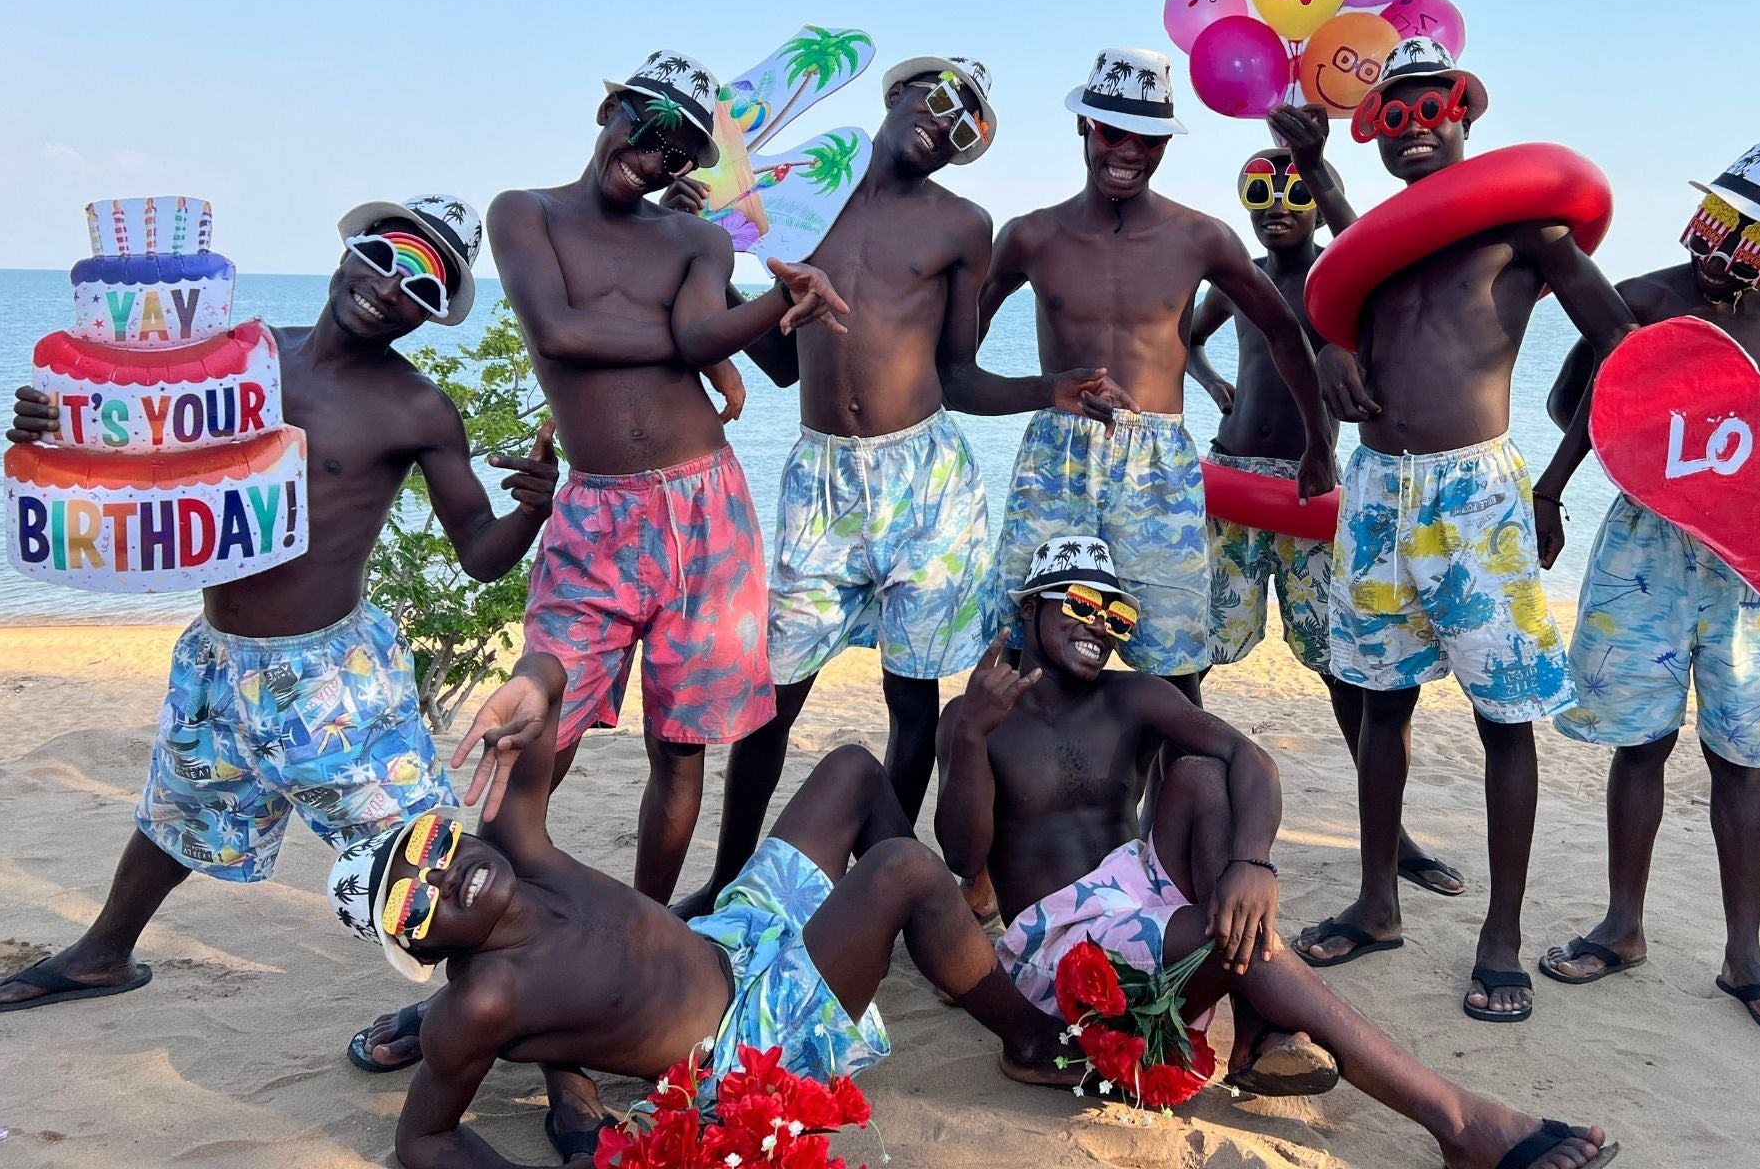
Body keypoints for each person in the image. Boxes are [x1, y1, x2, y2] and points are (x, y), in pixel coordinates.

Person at [0, 196, 559, 1033]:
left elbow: (480, 553)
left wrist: (532, 509)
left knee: (411, 845)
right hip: (219, 658)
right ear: (349, 251)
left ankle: (469, 1003)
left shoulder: (415, 410)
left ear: (430, 316)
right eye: (384, 255)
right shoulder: (241, 360)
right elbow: (133, 442)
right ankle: (104, 953)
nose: (390, 287)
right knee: (177, 811)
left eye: (421, 284)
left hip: (332, 678)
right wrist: (52, 425)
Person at [934, 536, 1616, 1169]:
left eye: (1117, 614)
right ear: (1030, 609)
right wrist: (970, 736)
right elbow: (965, 857)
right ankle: (1455, 1118)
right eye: (1080, 604)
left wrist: (1252, 863)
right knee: (1242, 938)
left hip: (1138, 894)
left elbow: (1248, 757)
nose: (1100, 626)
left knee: (1203, 774)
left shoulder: (1131, 694)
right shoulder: (973, 719)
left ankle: (1264, 1021)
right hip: (1060, 944)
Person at [331, 647, 1070, 1169]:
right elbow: (422, 1140)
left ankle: (937, 941)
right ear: (426, 955)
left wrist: (529, 678)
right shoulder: (484, 998)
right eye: (412, 901)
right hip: (742, 1040)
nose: (442, 876)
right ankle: (1030, 1041)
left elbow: (551, 683)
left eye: (429, 846)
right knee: (901, 869)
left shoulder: (515, 845)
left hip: (733, 941)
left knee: (851, 768)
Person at [689, 55, 1129, 914]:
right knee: (772, 697)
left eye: (968, 121)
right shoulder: (797, 201)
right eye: (939, 98)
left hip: (926, 481)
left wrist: (1050, 390)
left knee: (913, 693)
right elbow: (782, 364)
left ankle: (878, 881)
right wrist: (736, 298)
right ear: (894, 97)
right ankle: (725, 878)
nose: (948, 120)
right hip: (821, 477)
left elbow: (959, 373)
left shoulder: (963, 223)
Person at [1287, 38, 1634, 1026]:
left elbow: (1617, 345)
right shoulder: (1379, 238)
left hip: (1475, 497)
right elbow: (1334, 305)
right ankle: (1375, 901)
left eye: (1429, 106)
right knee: (1378, 702)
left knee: (1501, 719)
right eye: (1391, 113)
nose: (1412, 127)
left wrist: (1558, 484)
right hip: (1376, 492)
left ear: (1465, 112)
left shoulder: (1526, 231)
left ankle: (1500, 937)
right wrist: (1325, 353)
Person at [487, 49, 846, 911]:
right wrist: (692, 340)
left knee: (681, 746)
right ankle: (494, 917)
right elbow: (561, 332)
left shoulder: (696, 238)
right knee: (538, 727)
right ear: (611, 107)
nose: (655, 161)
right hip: (596, 515)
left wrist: (784, 300)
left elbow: (702, 337)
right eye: (647, 131)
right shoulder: (524, 213)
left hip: (708, 509)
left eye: (680, 153)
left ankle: (645, 929)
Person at [1536, 144, 1760, 1042]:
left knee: (1740, 755)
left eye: (1757, 239)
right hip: (1648, 542)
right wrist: (1574, 480)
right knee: (1638, 741)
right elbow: (1578, 404)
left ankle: (1745, 956)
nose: (1728, 250)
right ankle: (1622, 925)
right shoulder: (1643, 298)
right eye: (1722, 225)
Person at [979, 49, 1336, 703]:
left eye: (1150, 139)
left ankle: (1166, 803)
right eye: (1114, 133)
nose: (1130, 152)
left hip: (1159, 462)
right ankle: (1020, 797)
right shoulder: (1030, 237)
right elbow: (954, 369)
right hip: (1056, 453)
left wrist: (1320, 443)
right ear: (1084, 126)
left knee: (1171, 658)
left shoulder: (1200, 238)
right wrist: (1044, 392)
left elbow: (1285, 332)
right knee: (1022, 641)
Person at [1188, 119, 1464, 900]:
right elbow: (1183, 338)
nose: (1279, 204)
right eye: (1260, 191)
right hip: (1235, 481)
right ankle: (1176, 812)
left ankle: (1394, 834)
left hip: (1314, 492)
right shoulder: (1236, 276)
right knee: (1197, 648)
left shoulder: (1339, 276)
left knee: (1343, 665)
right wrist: (1209, 384)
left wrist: (1334, 435)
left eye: (1295, 190)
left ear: (1317, 199)